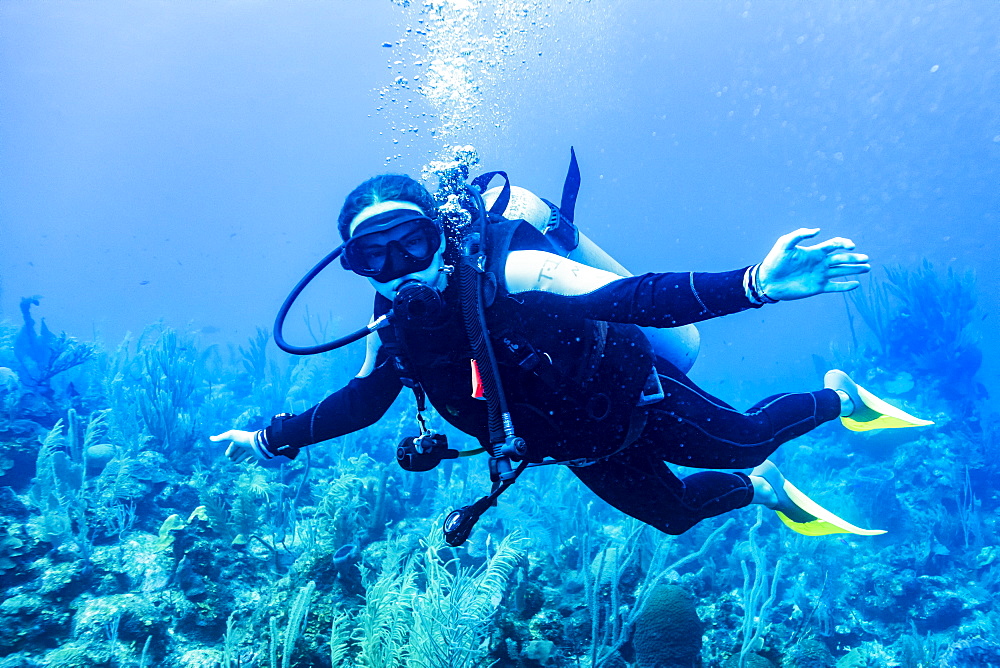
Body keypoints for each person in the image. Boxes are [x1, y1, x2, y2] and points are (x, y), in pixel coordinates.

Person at [211, 170, 931, 540]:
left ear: (440, 233)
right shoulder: (391, 326)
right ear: (359, 268)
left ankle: (842, 396)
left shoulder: (508, 272)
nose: (400, 268)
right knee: (676, 516)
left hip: (633, 398)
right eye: (376, 256)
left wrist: (755, 285)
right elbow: (362, 401)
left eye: (412, 242)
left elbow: (634, 296)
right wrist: (271, 438)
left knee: (743, 440)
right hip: (575, 449)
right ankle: (765, 493)